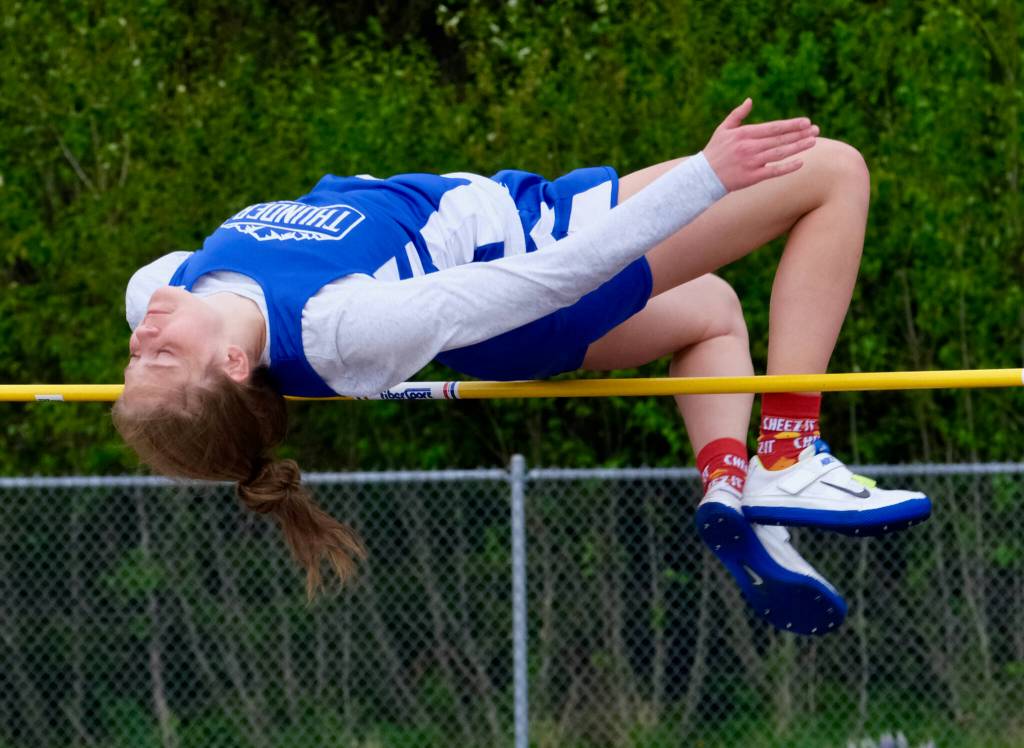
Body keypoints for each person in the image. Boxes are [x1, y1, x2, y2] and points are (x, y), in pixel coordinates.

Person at [114, 100, 930, 633]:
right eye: (165, 357)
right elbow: (554, 276)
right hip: (536, 261)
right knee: (829, 172)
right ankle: (788, 453)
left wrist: (169, 381)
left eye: (135, 360)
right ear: (227, 365)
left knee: (713, 312)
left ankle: (734, 490)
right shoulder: (342, 326)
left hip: (503, 290)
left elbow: (169, 335)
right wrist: (704, 178)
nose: (145, 335)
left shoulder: (159, 289)